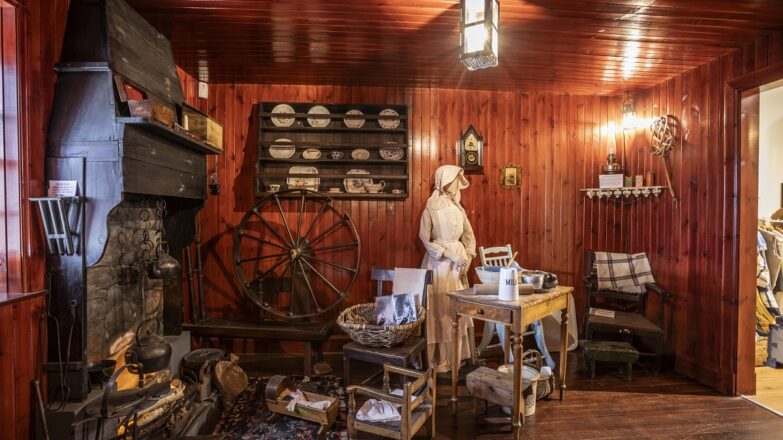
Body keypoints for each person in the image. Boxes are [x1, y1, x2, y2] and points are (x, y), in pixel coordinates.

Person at [419, 165, 476, 373]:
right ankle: (440, 358)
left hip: (458, 267)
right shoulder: (431, 208)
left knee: (457, 310)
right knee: (440, 308)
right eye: (454, 179)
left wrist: (467, 258)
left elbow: (469, 237)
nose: (457, 184)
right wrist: (448, 253)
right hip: (439, 264)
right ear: (444, 181)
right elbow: (425, 238)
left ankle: (457, 356)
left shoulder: (459, 209)